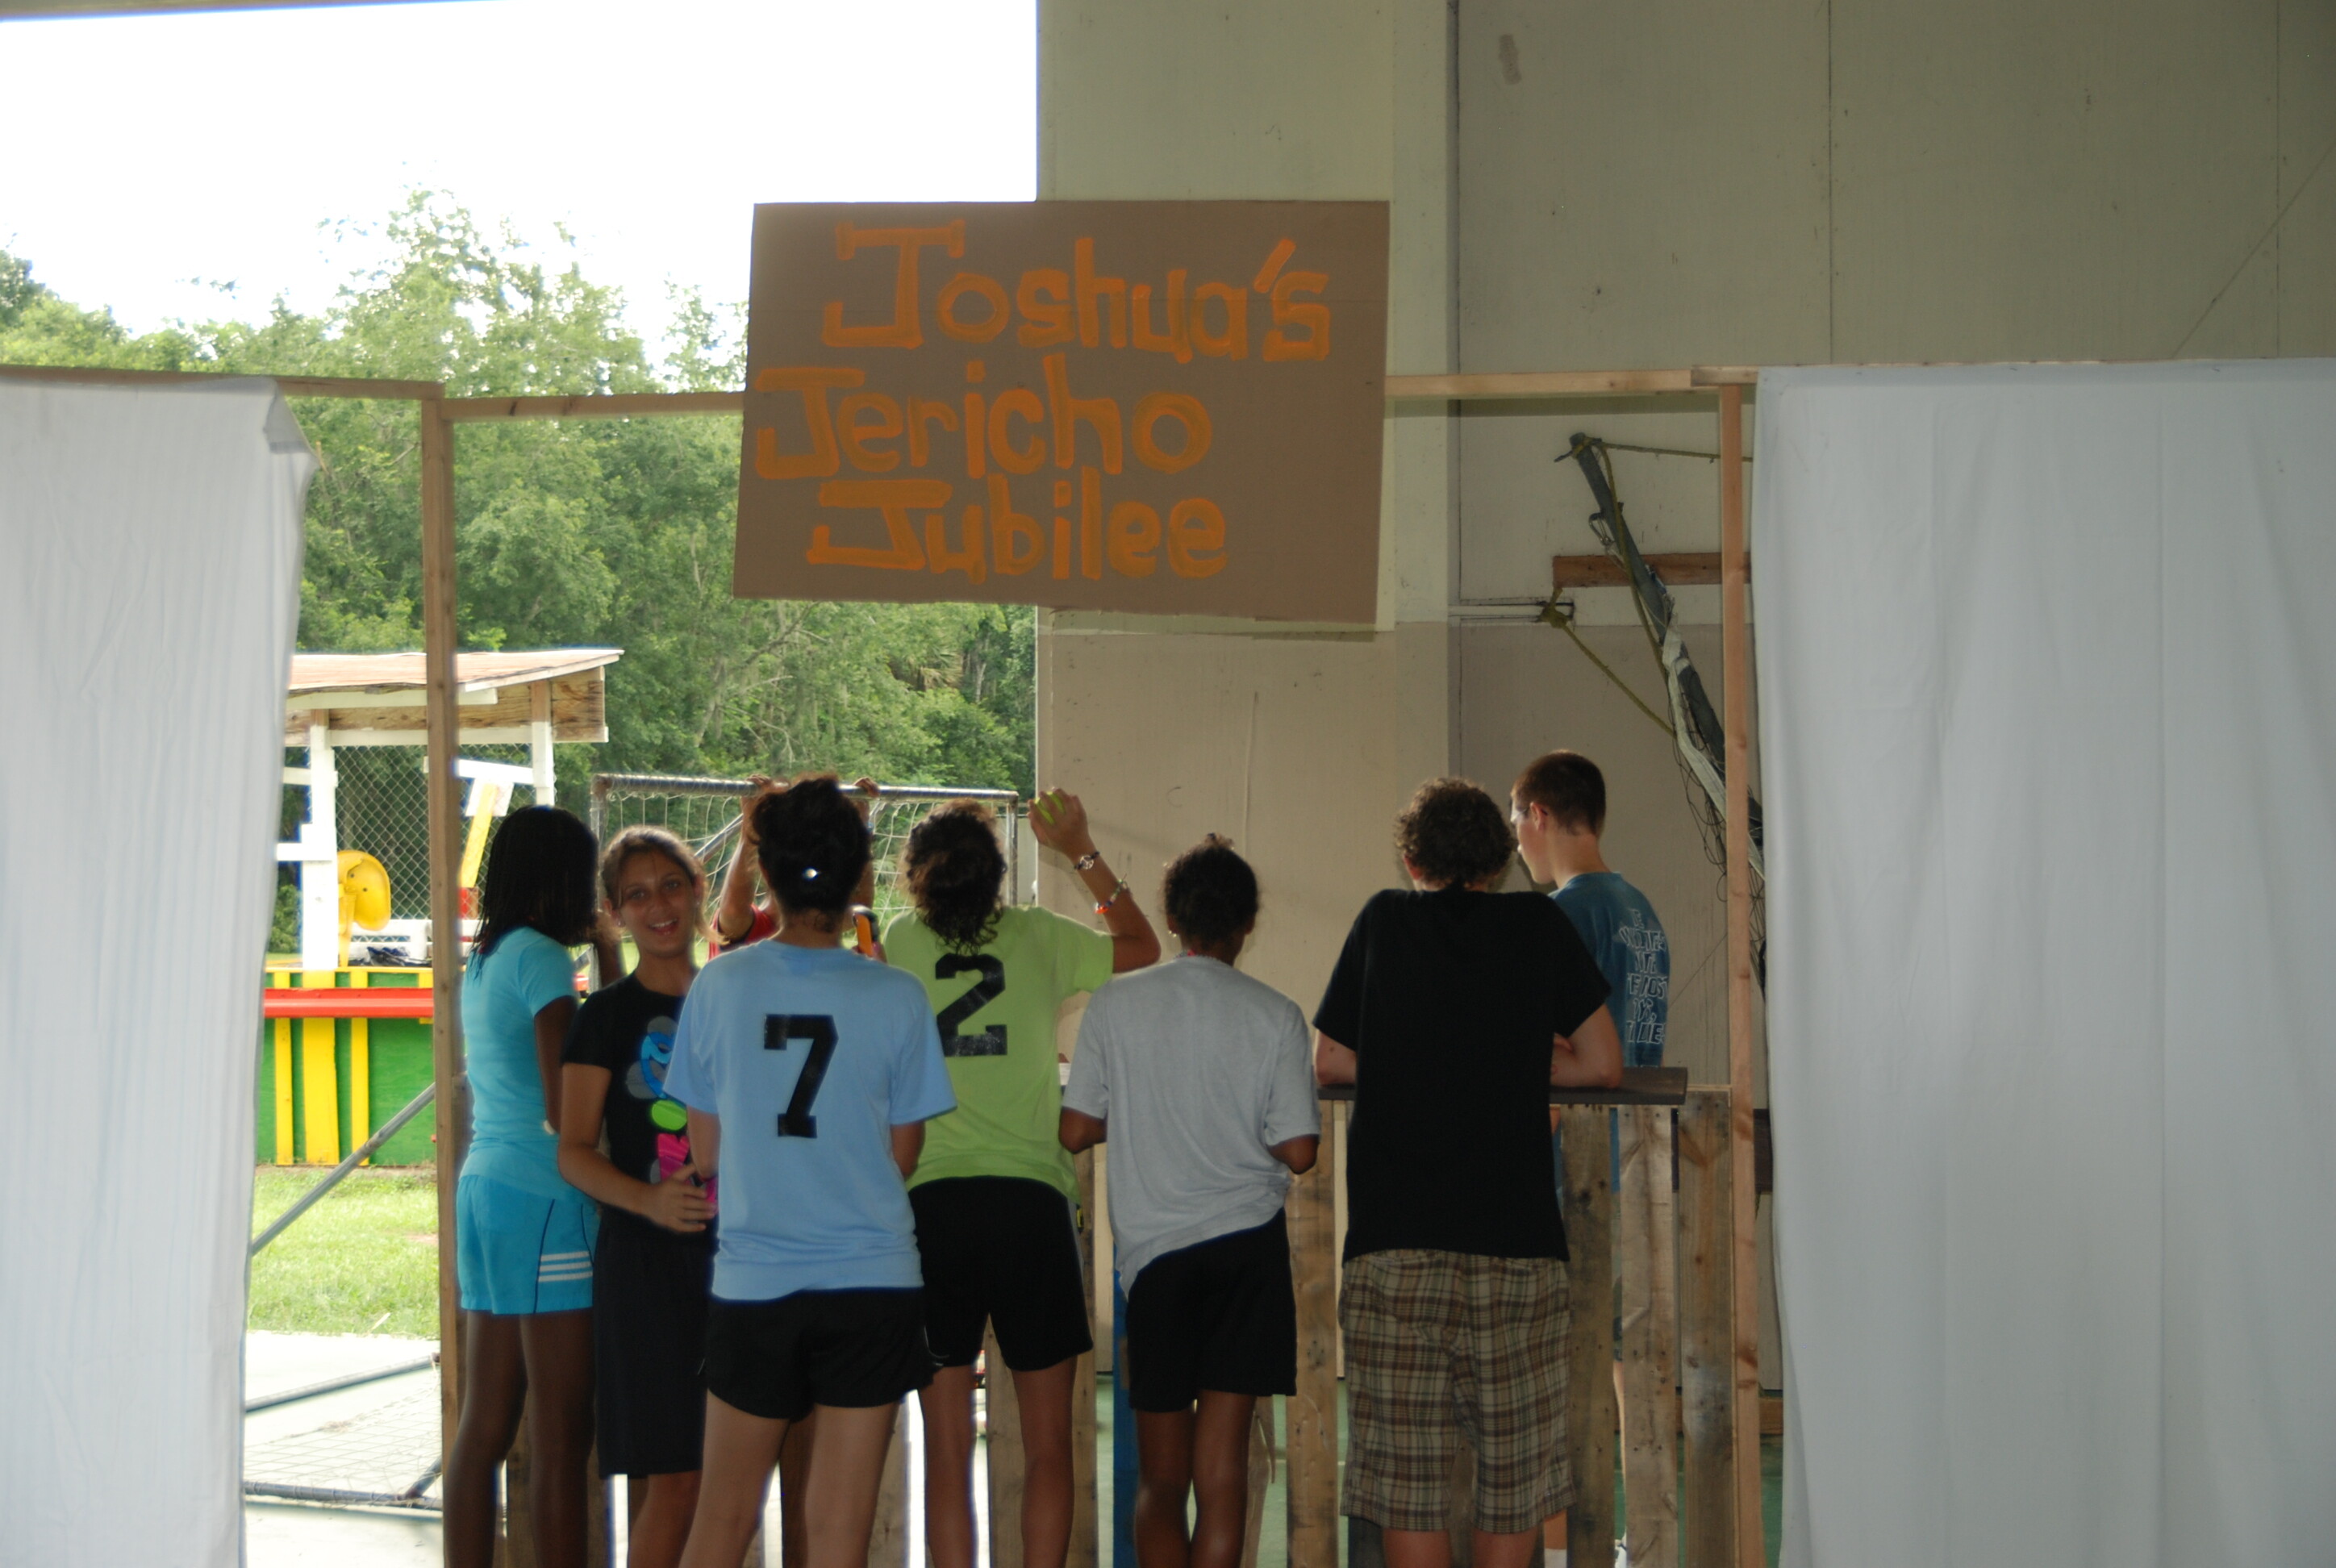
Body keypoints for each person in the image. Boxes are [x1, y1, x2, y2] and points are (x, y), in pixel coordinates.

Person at [1312, 779, 1622, 1568]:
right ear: (1495, 860)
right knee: (1515, 1480)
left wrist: (1412, 1052)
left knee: (1407, 1484)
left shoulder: (1383, 920)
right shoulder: (1537, 925)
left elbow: (1332, 1060)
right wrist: (1516, 1054)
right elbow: (1602, 1064)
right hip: (1518, 1245)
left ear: (1411, 858)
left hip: (1395, 1244)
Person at [663, 776, 959, 1568]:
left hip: (755, 1282)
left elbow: (706, 1154)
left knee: (722, 1522)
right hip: (872, 1283)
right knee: (838, 1534)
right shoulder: (898, 995)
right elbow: (902, 1158)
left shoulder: (719, 984)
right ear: (859, 874)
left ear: (767, 873)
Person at [884, 790, 1161, 1568]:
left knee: (946, 1452)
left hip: (931, 1209)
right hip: (1029, 1206)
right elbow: (1142, 945)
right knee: (1047, 1449)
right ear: (997, 872)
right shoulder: (1042, 935)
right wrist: (1080, 849)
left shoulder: (899, 941)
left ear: (916, 875)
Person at [1059, 836, 1319, 1568]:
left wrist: (1141, 1110)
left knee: (1162, 1480)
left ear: (1171, 920)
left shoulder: (1116, 1004)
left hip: (1158, 1261)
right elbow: (1300, 1150)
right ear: (1247, 924)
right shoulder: (1276, 1014)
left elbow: (1075, 1130)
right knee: (1224, 1472)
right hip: (1247, 1253)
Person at [444, 804, 603, 1568]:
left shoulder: (488, 957)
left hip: (485, 1190)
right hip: (545, 1199)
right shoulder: (543, 959)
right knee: (563, 1433)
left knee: (484, 1428)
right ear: (561, 878)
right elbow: (565, 1108)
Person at [557, 827, 717, 1568]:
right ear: (616, 913)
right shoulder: (604, 1016)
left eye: (672, 886)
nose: (659, 906)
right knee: (676, 1481)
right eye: (638, 894)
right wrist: (647, 1202)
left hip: (742, 1263)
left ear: (697, 890)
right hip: (647, 1269)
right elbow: (573, 1151)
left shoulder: (732, 998)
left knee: (725, 1480)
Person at [1511, 751, 1670, 1080]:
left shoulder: (1559, 914)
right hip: (1640, 1105)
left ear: (1538, 815)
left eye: (1516, 824)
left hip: (1584, 1106)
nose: (1518, 848)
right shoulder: (1641, 909)